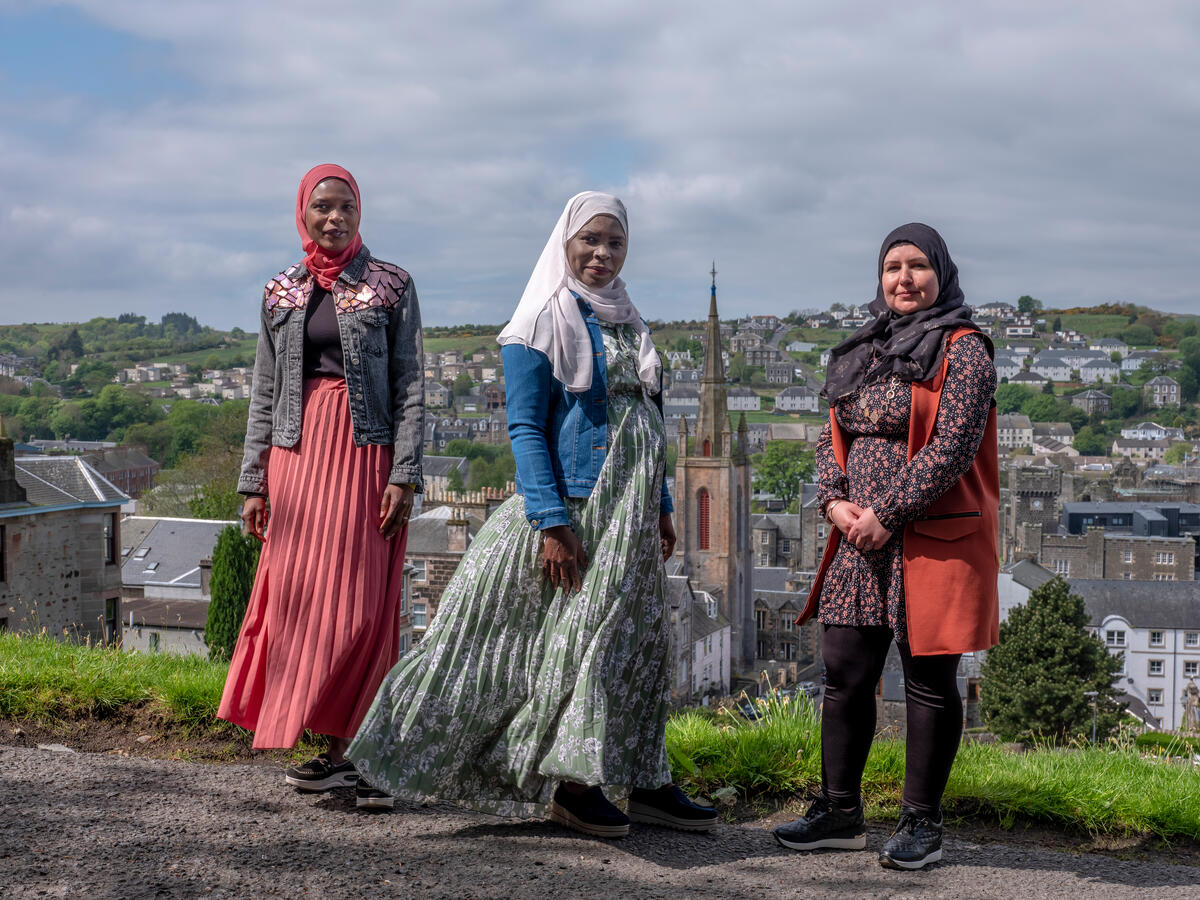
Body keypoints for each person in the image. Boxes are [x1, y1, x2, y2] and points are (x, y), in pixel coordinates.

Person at [348, 191, 717, 837]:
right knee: (555, 646)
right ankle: (572, 787)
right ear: (565, 243)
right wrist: (551, 522)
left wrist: (660, 506)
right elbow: (523, 427)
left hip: (629, 512)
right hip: (578, 506)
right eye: (590, 241)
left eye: (615, 243)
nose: (601, 253)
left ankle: (647, 780)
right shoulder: (540, 321)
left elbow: (649, 419)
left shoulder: (628, 321)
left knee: (636, 645)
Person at [773, 223, 998, 870]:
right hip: (857, 537)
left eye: (918, 266)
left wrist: (888, 512)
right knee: (844, 673)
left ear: (941, 273)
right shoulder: (866, 346)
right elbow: (832, 429)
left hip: (928, 536)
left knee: (928, 682)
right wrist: (833, 500)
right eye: (892, 267)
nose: (904, 278)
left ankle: (921, 823)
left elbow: (951, 447)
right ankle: (840, 811)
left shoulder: (964, 349)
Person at [218, 164, 424, 810]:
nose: (334, 219)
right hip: (296, 457)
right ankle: (336, 752)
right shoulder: (280, 290)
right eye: (322, 209)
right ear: (302, 215)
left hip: (365, 454)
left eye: (346, 209)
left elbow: (412, 384)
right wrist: (253, 484)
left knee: (362, 608)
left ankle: (362, 752)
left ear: (361, 214)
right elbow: (264, 388)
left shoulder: (391, 285)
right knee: (302, 604)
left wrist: (404, 473)